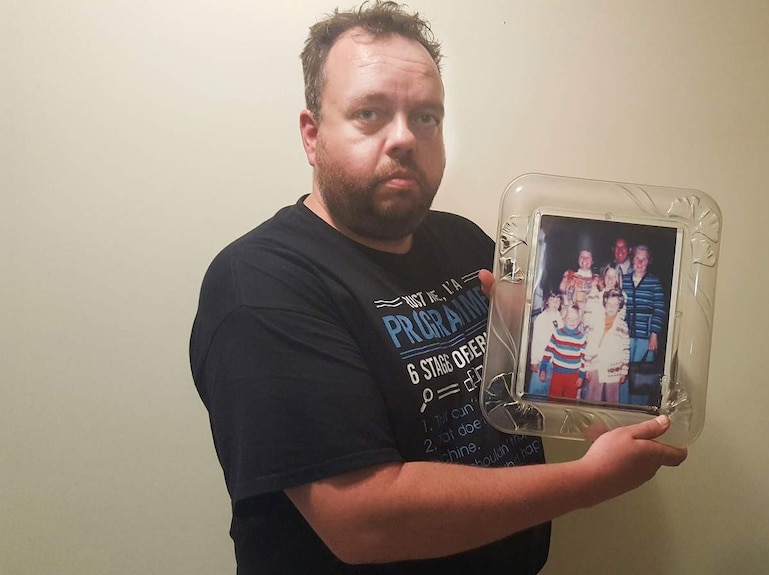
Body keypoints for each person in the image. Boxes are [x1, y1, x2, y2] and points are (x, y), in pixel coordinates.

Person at [189, 3, 686, 573]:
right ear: (311, 134)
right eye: (369, 113)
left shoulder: (463, 241)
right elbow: (365, 521)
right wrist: (588, 480)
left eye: (426, 117)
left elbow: (517, 394)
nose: (404, 138)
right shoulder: (259, 286)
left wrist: (571, 373)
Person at [621, 245, 667, 405]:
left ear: (649, 261)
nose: (640, 262)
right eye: (637, 258)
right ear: (632, 259)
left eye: (644, 259)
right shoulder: (623, 280)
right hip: (623, 336)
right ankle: (621, 408)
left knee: (642, 376)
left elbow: (659, 310)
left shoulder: (654, 283)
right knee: (623, 372)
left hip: (645, 338)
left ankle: (637, 410)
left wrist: (654, 335)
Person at [583, 289, 630, 404]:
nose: (611, 307)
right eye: (609, 304)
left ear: (620, 306)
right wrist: (587, 366)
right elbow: (589, 343)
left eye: (615, 304)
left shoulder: (622, 326)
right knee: (593, 397)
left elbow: (625, 349)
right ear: (604, 303)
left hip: (614, 368)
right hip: (596, 364)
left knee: (612, 399)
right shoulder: (596, 322)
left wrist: (624, 371)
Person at [538, 304, 587, 399]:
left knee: (570, 400)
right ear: (564, 318)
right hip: (557, 374)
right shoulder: (557, 333)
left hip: (573, 375)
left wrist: (581, 376)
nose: (572, 322)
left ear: (579, 320)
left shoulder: (582, 337)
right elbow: (548, 351)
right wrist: (543, 368)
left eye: (575, 319)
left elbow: (584, 359)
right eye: (569, 318)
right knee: (553, 398)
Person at [528, 291, 563, 396]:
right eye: (552, 300)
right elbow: (535, 341)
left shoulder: (561, 318)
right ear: (547, 301)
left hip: (556, 361)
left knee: (550, 391)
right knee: (537, 390)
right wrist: (534, 361)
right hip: (541, 359)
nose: (555, 303)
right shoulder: (540, 319)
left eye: (558, 300)